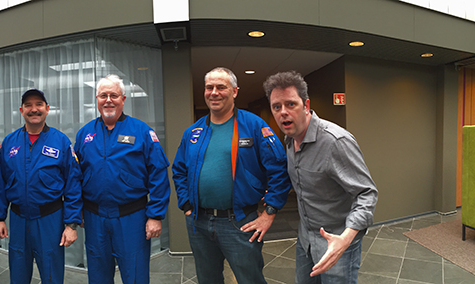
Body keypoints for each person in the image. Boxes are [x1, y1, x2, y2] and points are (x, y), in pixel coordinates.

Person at [172, 67, 291, 283]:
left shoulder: (254, 126)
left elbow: (279, 169)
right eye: (209, 87)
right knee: (208, 279)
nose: (214, 92)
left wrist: (270, 212)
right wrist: (186, 204)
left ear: (234, 91)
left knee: (250, 279)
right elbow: (179, 169)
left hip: (240, 223)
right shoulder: (193, 132)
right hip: (199, 222)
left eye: (221, 87)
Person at [264, 71, 378, 284]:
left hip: (337, 240)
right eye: (276, 107)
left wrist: (345, 239)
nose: (283, 113)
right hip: (305, 236)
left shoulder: (336, 142)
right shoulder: (288, 140)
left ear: (306, 105)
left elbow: (367, 194)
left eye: (290, 104)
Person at [74, 74, 171, 284]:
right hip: (94, 217)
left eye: (114, 95)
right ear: (97, 100)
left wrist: (155, 215)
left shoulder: (142, 131)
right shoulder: (84, 134)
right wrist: (76, 210)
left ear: (123, 99)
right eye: (103, 95)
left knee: (135, 275)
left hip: (132, 217)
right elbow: (75, 176)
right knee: (98, 276)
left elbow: (159, 174)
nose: (108, 100)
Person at [0, 89, 82, 284]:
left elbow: (73, 185)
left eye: (39, 105)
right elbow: (1, 182)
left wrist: (71, 224)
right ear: (21, 110)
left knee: (51, 275)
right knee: (18, 274)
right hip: (18, 219)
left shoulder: (61, 142)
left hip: (49, 219)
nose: (34, 109)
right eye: (28, 105)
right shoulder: (10, 142)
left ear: (47, 109)